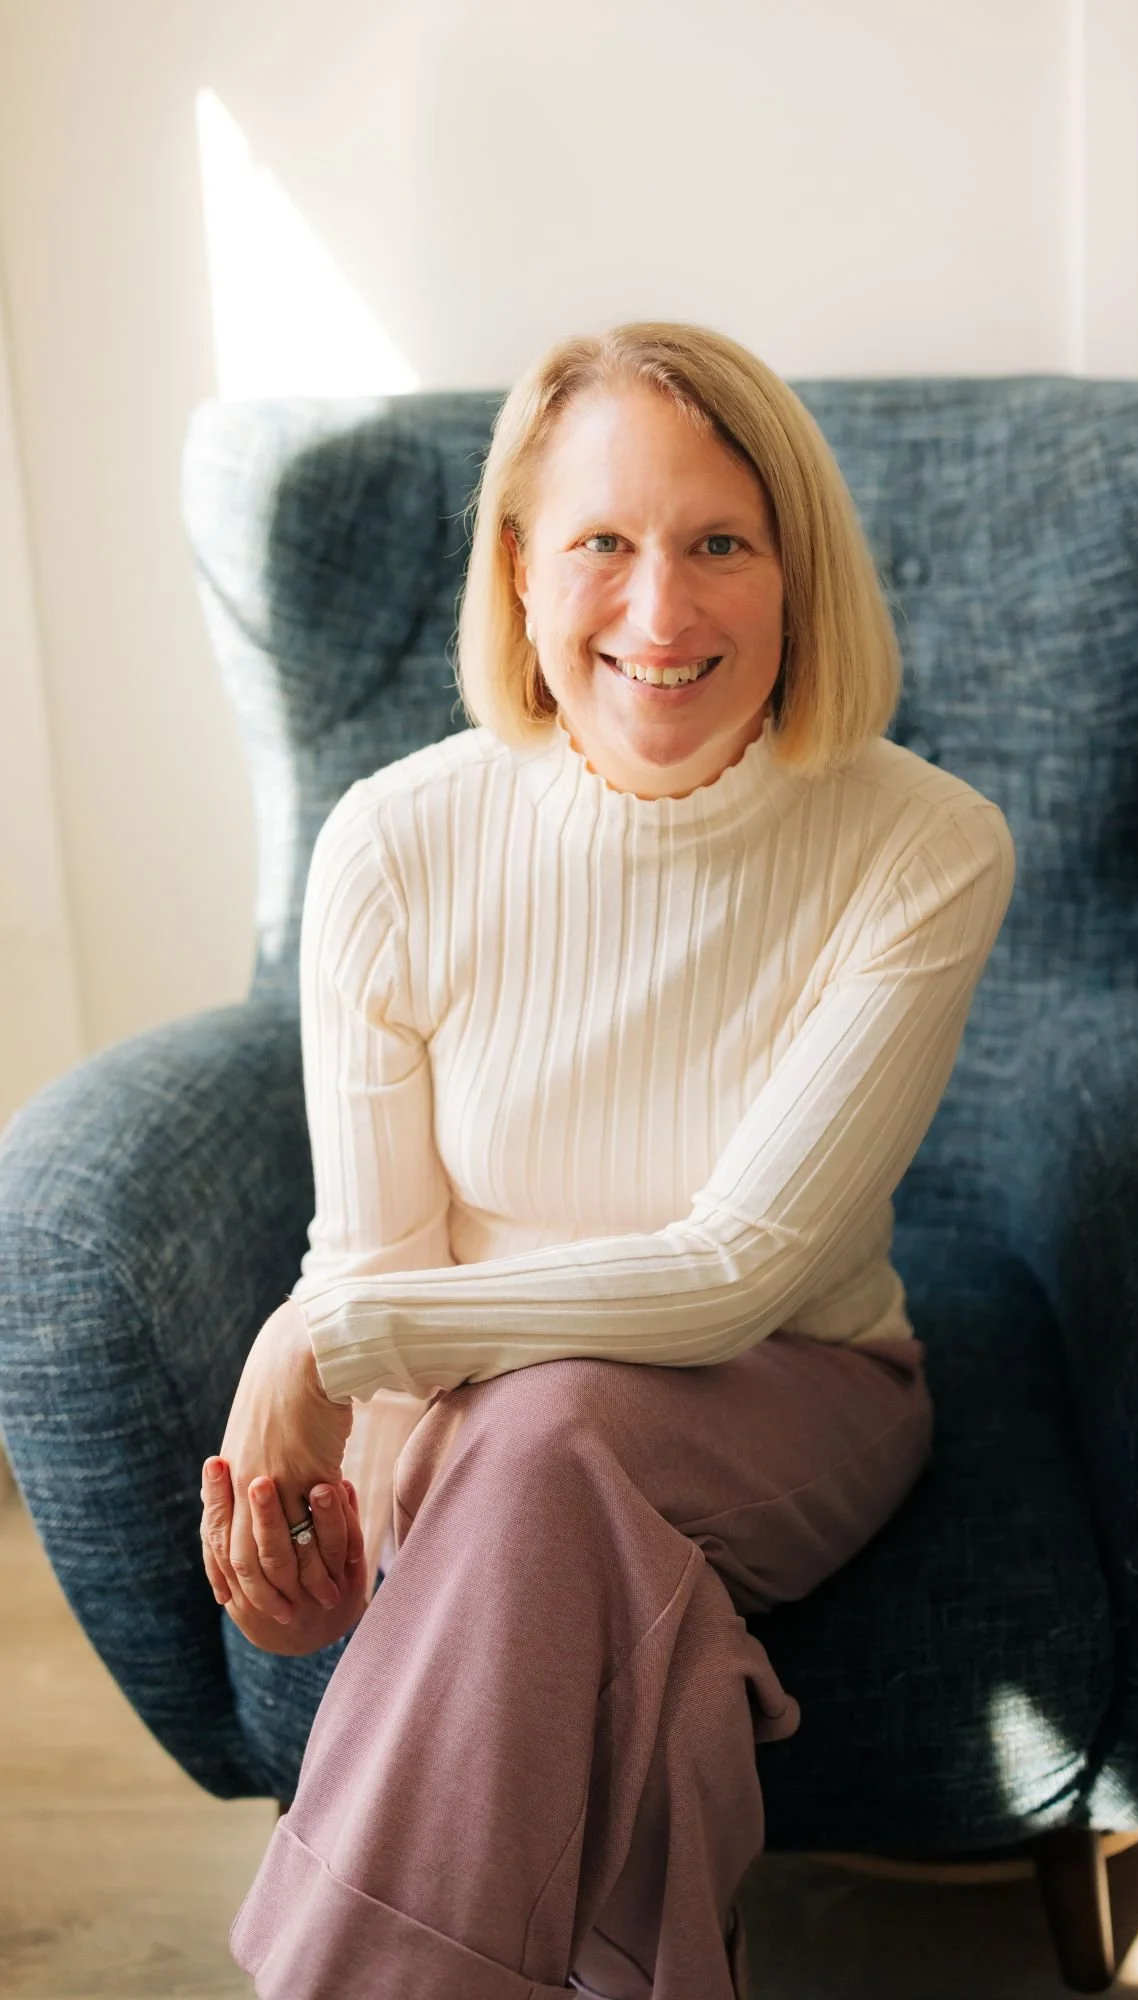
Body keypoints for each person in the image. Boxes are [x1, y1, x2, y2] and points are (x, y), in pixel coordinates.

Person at [199, 319, 1016, 1999]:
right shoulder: (395, 842)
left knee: (548, 1428)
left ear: (796, 574)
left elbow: (731, 1277)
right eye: (601, 545)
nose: (659, 612)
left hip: (800, 1385)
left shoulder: (922, 844)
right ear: (516, 569)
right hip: (486, 1428)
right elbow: (382, 1253)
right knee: (573, 1510)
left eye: (719, 544)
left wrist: (315, 1346)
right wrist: (347, 1521)